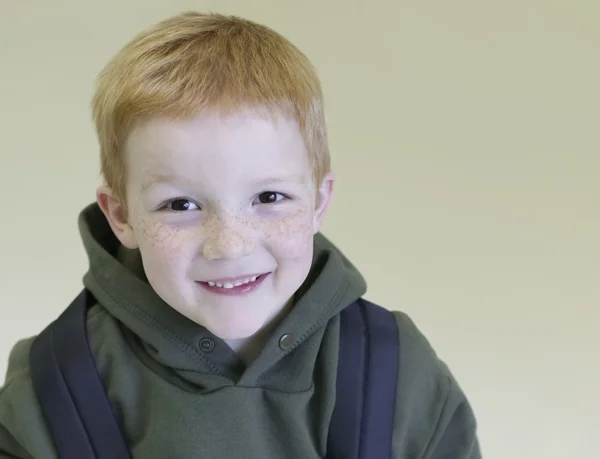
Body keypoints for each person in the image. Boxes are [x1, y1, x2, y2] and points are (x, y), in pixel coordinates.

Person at [0, 11, 481, 458]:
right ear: (121, 216)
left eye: (269, 198)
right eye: (181, 205)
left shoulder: (397, 371)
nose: (229, 244)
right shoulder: (48, 387)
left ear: (319, 200)